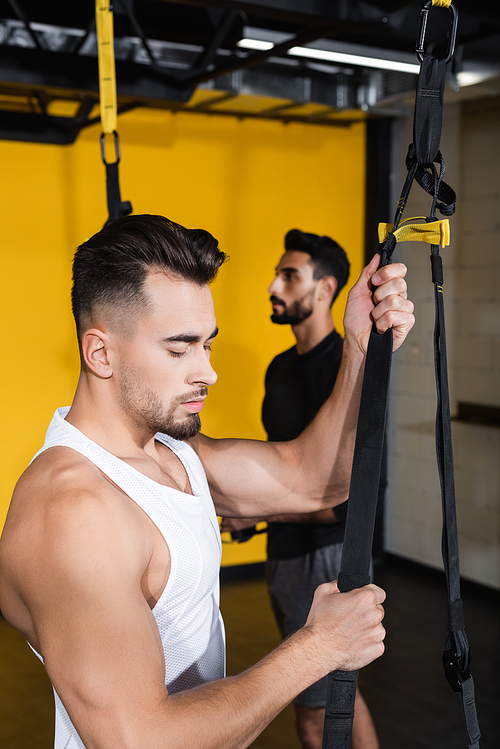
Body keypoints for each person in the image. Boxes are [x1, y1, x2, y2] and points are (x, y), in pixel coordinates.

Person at [0, 215, 414, 749]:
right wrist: (317, 647)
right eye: (179, 349)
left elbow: (316, 481)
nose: (207, 372)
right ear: (100, 352)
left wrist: (359, 346)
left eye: (207, 346)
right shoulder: (71, 512)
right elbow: (141, 741)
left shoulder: (174, 452)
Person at [222, 229, 380, 749]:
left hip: (324, 559)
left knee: (314, 718)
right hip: (285, 557)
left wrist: (256, 515)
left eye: (289, 275)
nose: (274, 284)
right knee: (340, 693)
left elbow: (343, 502)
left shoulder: (345, 368)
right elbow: (288, 470)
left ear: (326, 289)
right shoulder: (281, 367)